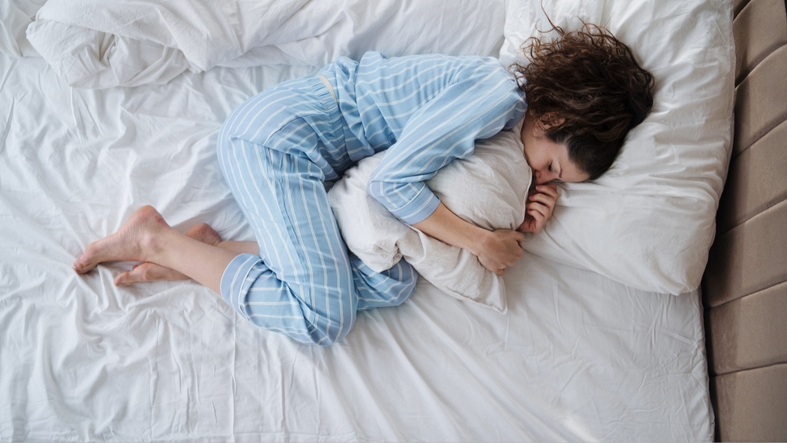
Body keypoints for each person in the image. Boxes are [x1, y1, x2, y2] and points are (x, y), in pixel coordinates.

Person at [74, 23, 654, 346]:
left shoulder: (504, 123)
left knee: (393, 280)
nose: (542, 177)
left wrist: (525, 211)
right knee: (321, 318)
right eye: (552, 166)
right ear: (552, 120)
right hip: (278, 142)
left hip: (310, 163)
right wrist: (480, 242)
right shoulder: (497, 97)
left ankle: (206, 251)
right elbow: (394, 188)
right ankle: (159, 240)